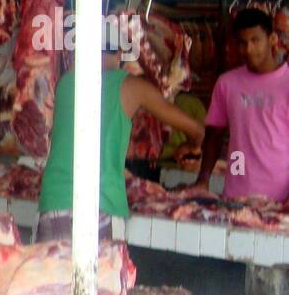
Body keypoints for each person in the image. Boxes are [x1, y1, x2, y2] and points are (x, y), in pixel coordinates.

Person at [36, 38, 206, 242]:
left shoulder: (65, 83)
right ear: (120, 53)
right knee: (103, 274)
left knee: (52, 274)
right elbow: (196, 130)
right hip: (101, 203)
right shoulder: (130, 86)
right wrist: (192, 146)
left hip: (53, 200)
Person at [195, 8, 289, 201]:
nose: (248, 49)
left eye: (255, 41)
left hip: (281, 200)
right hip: (236, 197)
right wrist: (203, 179)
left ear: (272, 39)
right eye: (242, 43)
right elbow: (214, 135)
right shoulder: (227, 83)